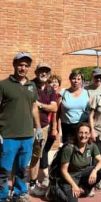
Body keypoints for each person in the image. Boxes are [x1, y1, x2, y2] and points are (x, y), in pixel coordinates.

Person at [0, 52, 42, 202]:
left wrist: (38, 128)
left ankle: (19, 193)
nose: (22, 68)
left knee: (22, 168)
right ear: (14, 65)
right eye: (20, 64)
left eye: (25, 65)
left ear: (29, 67)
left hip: (27, 135)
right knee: (4, 169)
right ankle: (2, 196)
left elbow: (34, 108)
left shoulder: (32, 86)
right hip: (8, 135)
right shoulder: (4, 85)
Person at [29, 63, 58, 196]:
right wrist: (46, 106)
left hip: (44, 128)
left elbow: (54, 108)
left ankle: (32, 183)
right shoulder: (30, 85)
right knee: (24, 154)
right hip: (28, 126)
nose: (44, 73)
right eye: (41, 70)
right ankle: (22, 182)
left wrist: (39, 104)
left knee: (37, 155)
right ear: (36, 72)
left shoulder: (50, 89)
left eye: (46, 71)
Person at [58, 123, 101, 201]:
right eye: (81, 132)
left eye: (86, 133)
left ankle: (84, 189)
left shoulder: (92, 146)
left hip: (83, 174)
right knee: (72, 200)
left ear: (90, 134)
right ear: (76, 134)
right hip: (70, 178)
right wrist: (73, 185)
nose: (83, 136)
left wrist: (94, 171)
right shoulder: (69, 148)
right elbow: (63, 170)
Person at [39, 74, 63, 190]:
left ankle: (46, 172)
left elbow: (57, 115)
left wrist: (56, 129)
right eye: (52, 82)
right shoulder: (47, 94)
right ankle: (45, 175)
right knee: (43, 150)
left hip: (53, 127)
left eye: (56, 82)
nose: (54, 84)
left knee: (45, 149)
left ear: (59, 84)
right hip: (45, 125)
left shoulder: (59, 97)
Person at [59, 71, 90, 143]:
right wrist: (55, 127)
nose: (76, 81)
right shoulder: (63, 92)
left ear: (82, 81)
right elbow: (57, 112)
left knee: (81, 148)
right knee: (68, 148)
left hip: (82, 126)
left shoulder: (87, 93)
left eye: (79, 79)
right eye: (74, 78)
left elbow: (90, 111)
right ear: (70, 80)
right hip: (67, 127)